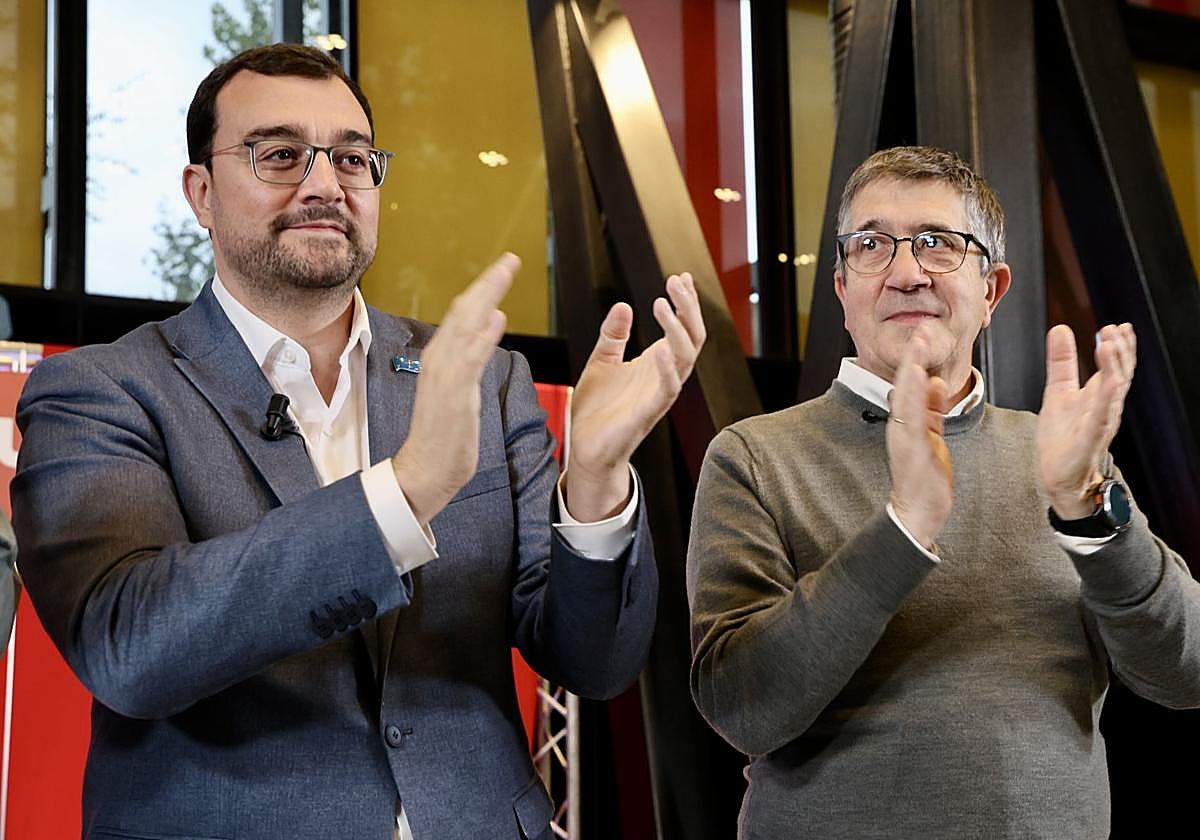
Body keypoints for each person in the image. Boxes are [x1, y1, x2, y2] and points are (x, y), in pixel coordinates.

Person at [12, 44, 705, 840]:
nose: (323, 185)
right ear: (200, 193)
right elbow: (130, 645)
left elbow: (596, 663)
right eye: (279, 156)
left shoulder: (481, 378)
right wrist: (401, 495)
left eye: (351, 158)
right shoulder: (103, 390)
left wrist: (594, 485)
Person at [687, 145, 1200, 838]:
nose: (905, 273)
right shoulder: (755, 457)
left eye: (937, 244)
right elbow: (744, 709)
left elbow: (1183, 672)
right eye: (872, 244)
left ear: (991, 291)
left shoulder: (1061, 453)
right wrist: (902, 530)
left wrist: (1087, 511)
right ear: (842, 288)